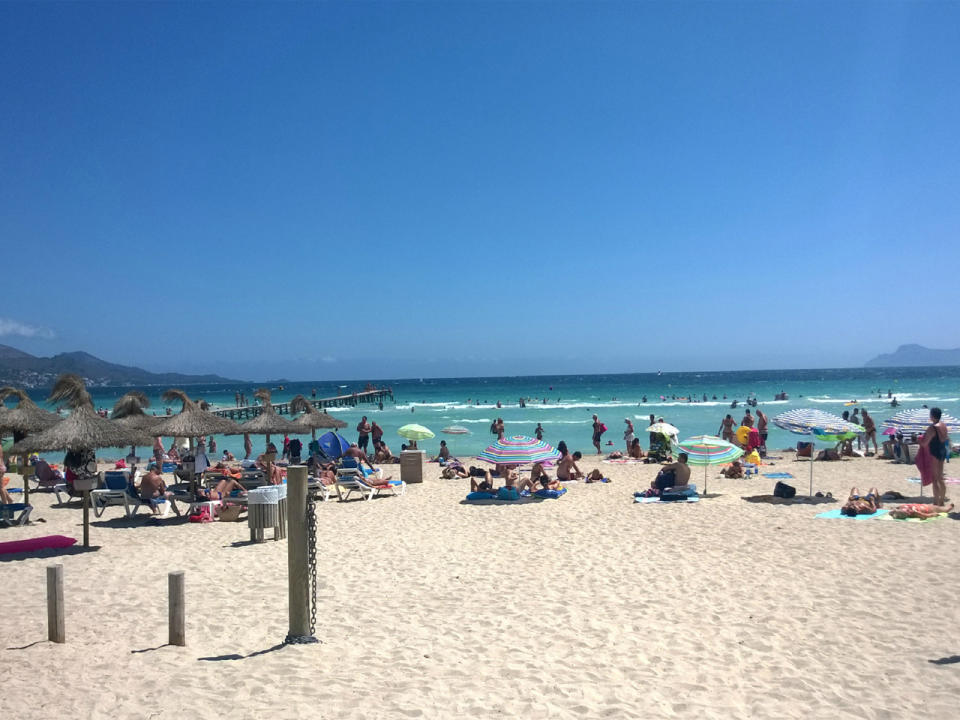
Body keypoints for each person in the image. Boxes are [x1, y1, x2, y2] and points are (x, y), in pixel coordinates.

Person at [920, 407, 950, 506]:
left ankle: (936, 501)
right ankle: (941, 501)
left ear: (932, 416)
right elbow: (946, 438)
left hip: (935, 452)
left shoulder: (932, 428)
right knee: (940, 478)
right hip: (942, 451)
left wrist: (917, 439)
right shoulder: (943, 425)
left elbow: (924, 443)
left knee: (935, 479)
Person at [889, 502, 954, 520]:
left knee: (939, 508)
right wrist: (935, 514)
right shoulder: (912, 512)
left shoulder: (901, 508)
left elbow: (891, 511)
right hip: (927, 508)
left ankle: (947, 508)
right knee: (942, 509)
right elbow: (925, 516)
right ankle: (949, 508)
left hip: (922, 506)